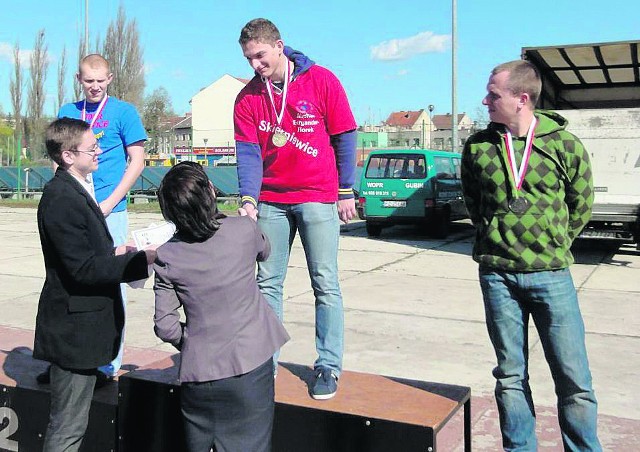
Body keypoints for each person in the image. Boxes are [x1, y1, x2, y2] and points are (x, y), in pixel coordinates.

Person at [461, 60, 602, 451]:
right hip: (497, 276)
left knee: (573, 378)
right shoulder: (478, 147)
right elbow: (475, 204)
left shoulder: (563, 144)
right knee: (509, 375)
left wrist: (553, 243)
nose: (485, 100)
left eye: (494, 94)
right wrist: (497, 237)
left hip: (552, 275)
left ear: (522, 99)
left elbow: (581, 204)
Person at [233, 18, 357, 400]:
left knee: (325, 283)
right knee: (267, 283)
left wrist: (346, 189)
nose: (255, 64)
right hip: (271, 200)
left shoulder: (322, 80)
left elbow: (345, 135)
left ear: (279, 45)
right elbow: (249, 153)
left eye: (260, 55)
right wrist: (248, 199)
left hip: (318, 197)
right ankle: (264, 365)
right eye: (248, 58)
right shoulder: (248, 98)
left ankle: (328, 365)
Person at [34, 118, 154, 451]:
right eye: (92, 148)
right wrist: (138, 262)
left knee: (73, 423)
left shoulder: (77, 188)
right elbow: (82, 270)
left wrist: (119, 251)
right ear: (68, 155)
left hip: (84, 330)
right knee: (67, 428)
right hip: (74, 332)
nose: (99, 152)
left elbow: (86, 252)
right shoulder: (61, 197)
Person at [153, 162, 289, 452]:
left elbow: (164, 325)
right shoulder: (242, 230)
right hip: (251, 366)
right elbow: (265, 251)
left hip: (201, 377)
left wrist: (193, 340)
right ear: (209, 194)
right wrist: (246, 219)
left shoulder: (166, 256)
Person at [39, 53, 147, 384]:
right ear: (79, 79)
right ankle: (63, 359)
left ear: (110, 78)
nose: (95, 86)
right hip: (73, 207)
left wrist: (111, 202)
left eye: (100, 80)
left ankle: (107, 362)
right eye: (88, 81)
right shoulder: (68, 113)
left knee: (111, 283)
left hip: (108, 211)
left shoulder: (124, 113)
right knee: (65, 282)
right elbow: (59, 159)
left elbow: (137, 161)